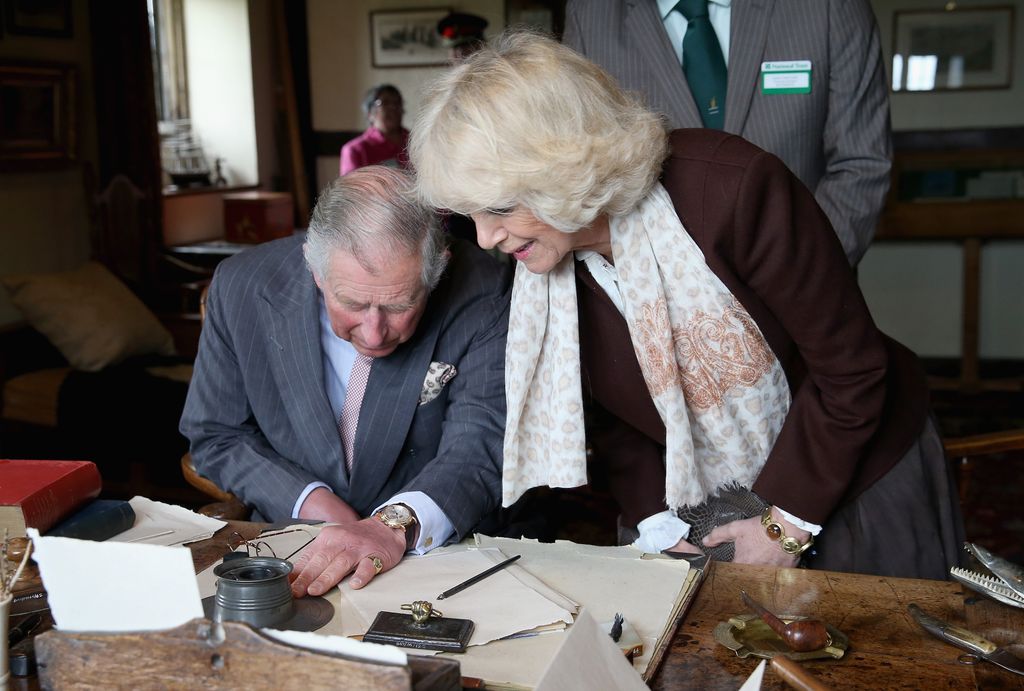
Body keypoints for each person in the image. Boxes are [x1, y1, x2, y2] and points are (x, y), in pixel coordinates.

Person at [409, 31, 964, 579]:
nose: (485, 238)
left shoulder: (734, 190)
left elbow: (855, 372)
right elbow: (614, 419)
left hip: (855, 471)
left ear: (561, 166)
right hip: (696, 504)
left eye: (500, 208)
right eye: (471, 216)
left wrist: (784, 526)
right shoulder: (544, 267)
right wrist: (657, 522)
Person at [180, 166, 511, 596]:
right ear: (315, 271)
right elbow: (216, 434)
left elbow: (479, 444)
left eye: (399, 305)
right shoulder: (241, 286)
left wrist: (391, 525)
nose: (374, 333)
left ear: (438, 270)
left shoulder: (487, 291)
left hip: (435, 556)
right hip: (288, 546)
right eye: (353, 303)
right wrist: (316, 505)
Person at [562, 0, 891, 267]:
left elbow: (861, 163)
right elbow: (584, 174)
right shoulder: (591, 15)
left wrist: (802, 275)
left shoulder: (829, 8)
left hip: (807, 302)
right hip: (663, 302)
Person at [339, 85, 409, 175]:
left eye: (397, 102)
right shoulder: (355, 150)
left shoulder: (416, 142)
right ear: (370, 114)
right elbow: (352, 188)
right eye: (385, 103)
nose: (393, 107)